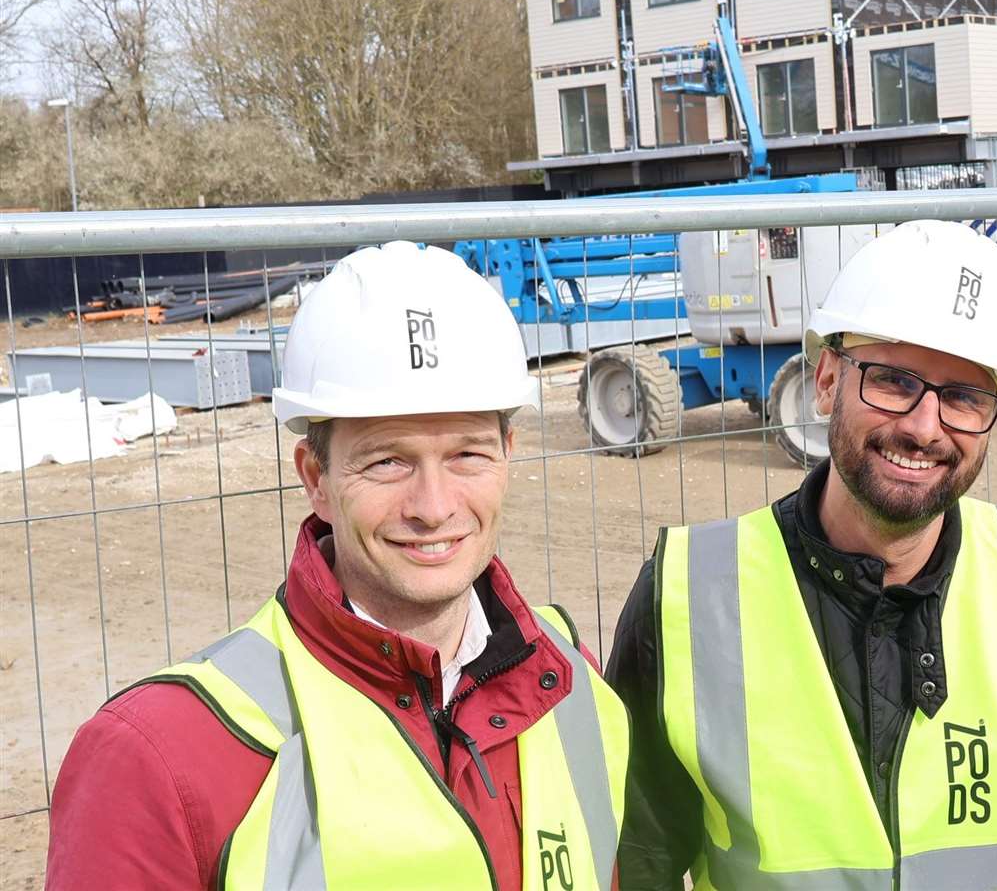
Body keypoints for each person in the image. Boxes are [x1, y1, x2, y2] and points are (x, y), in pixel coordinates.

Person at [47, 241, 627, 890]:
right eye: (387, 462)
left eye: (468, 454)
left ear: (509, 454)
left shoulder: (572, 683)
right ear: (316, 477)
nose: (434, 509)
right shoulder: (161, 756)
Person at [607, 220, 997, 890]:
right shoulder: (689, 599)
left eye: (963, 396)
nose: (925, 427)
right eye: (895, 381)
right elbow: (635, 866)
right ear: (825, 379)